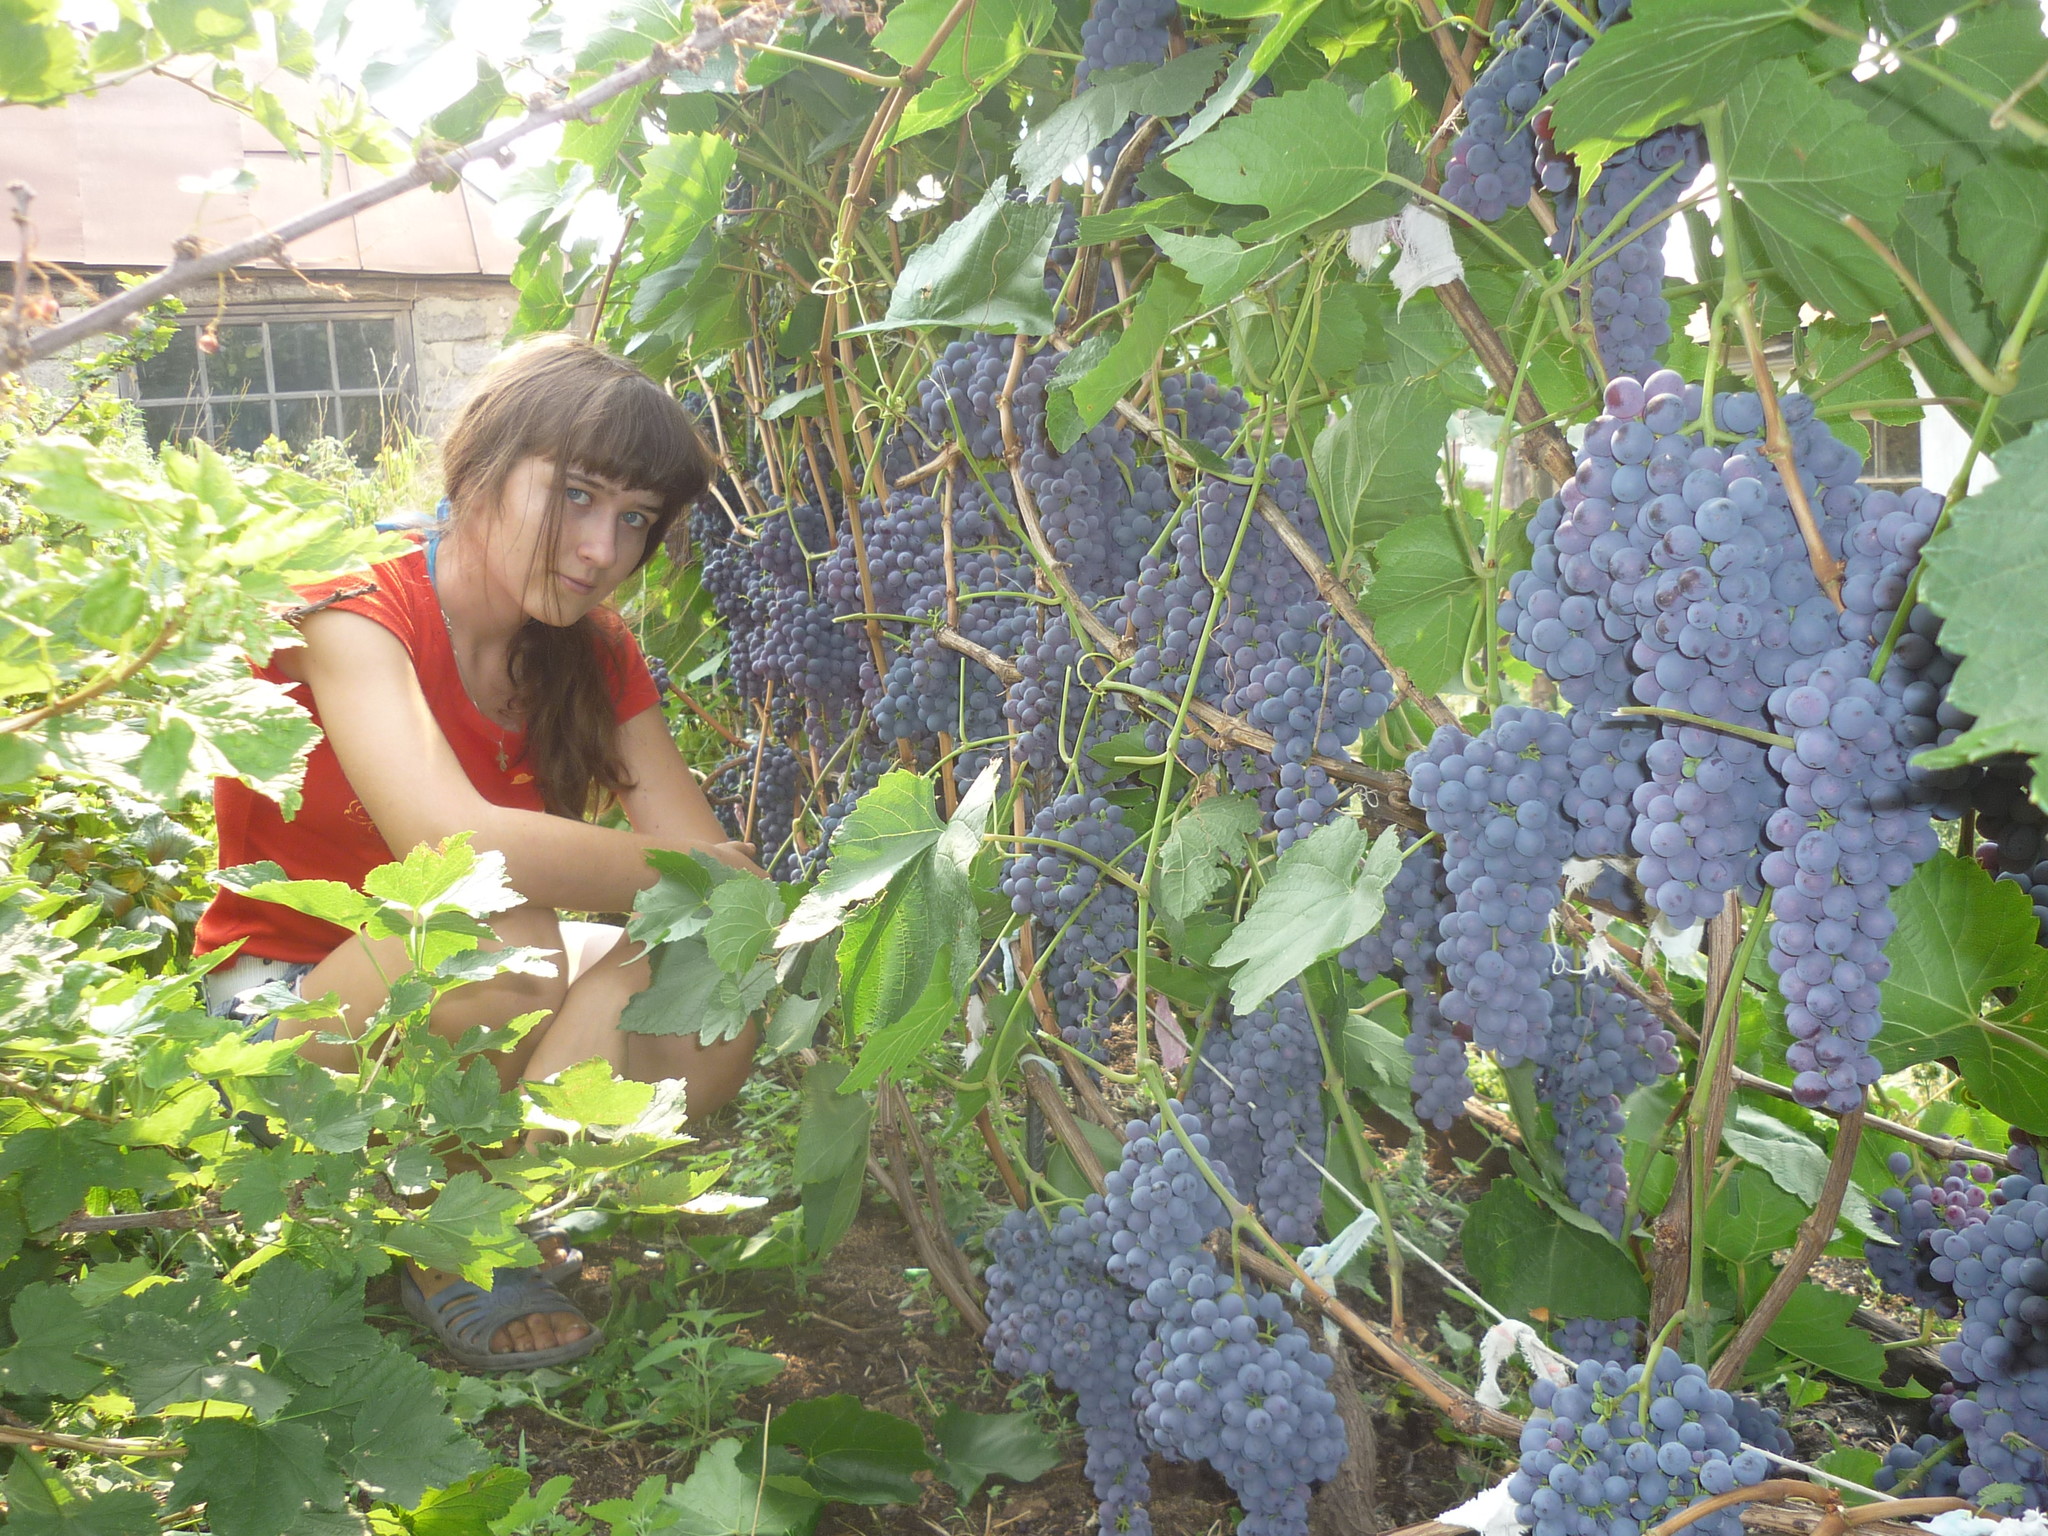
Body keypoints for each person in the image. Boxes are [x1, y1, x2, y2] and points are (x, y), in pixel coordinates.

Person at [194, 336, 761, 1371]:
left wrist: (653, 945)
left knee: (711, 1000)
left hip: (444, 999)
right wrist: (696, 884)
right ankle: (445, 1231)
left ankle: (482, 1207)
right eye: (577, 496)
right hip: (276, 1008)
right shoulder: (348, 614)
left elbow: (708, 883)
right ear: (479, 467)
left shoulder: (593, 654)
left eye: (635, 519)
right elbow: (455, 844)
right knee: (493, 924)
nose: (601, 548)